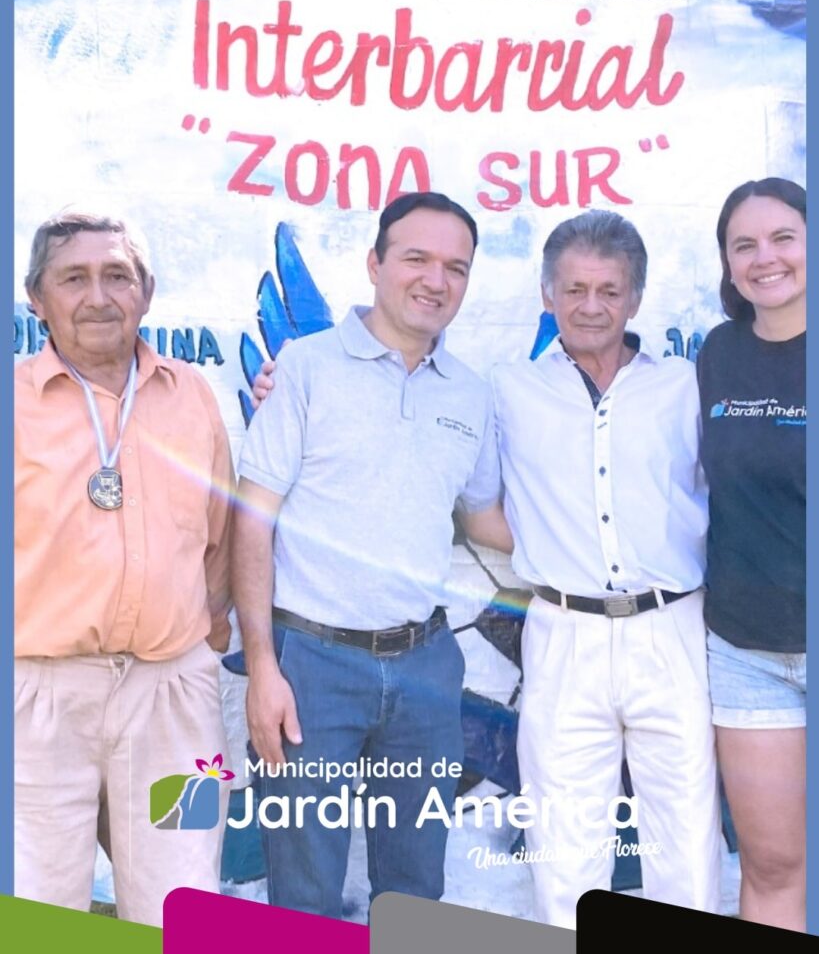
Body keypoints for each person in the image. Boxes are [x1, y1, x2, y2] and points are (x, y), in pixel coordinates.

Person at [232, 192, 507, 920]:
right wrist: (262, 666)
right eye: (415, 258)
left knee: (416, 893)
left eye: (455, 266)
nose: (435, 279)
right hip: (311, 667)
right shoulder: (306, 366)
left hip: (425, 667)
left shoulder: (471, 394)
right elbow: (252, 521)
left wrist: (605, 547)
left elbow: (483, 519)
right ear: (374, 264)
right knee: (305, 894)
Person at [490, 209, 722, 929]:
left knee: (685, 839)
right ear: (546, 292)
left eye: (609, 290)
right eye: (574, 289)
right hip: (563, 631)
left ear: (635, 298)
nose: (591, 306)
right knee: (562, 847)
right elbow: (472, 508)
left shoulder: (684, 386)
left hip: (670, 627)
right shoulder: (506, 392)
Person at [15, 211, 235, 927]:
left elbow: (220, 537)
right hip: (38, 699)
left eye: (117, 276)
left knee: (182, 908)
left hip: (171, 694)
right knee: (38, 911)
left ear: (147, 292)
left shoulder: (192, 395)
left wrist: (201, 650)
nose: (98, 296)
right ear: (35, 298)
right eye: (73, 278)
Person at [696, 178, 806, 931]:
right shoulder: (718, 354)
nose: (763, 258)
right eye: (744, 245)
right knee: (770, 864)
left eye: (782, 238)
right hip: (748, 652)